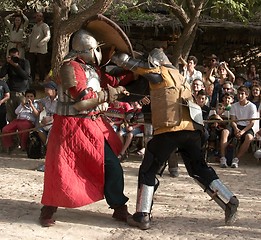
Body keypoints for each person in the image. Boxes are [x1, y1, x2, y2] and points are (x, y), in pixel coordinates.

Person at [111, 48, 239, 230]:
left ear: (154, 63)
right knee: (198, 169)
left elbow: (124, 61)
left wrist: (114, 53)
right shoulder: (180, 77)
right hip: (192, 131)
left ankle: (142, 215)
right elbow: (167, 105)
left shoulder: (159, 73)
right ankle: (229, 200)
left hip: (170, 131)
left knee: (148, 170)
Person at [39, 29, 133, 227]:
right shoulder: (69, 67)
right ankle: (48, 208)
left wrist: (133, 72)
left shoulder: (92, 69)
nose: (99, 52)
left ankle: (119, 207)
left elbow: (112, 82)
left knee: (112, 166)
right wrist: (110, 94)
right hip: (68, 126)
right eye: (96, 48)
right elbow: (81, 98)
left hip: (91, 124)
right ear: (86, 49)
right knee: (60, 168)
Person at [219, 86, 257, 168]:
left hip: (246, 127)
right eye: (238, 94)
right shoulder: (234, 106)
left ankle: (236, 159)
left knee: (249, 137)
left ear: (246, 95)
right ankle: (222, 158)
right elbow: (233, 120)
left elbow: (252, 123)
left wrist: (242, 131)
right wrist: (236, 129)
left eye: (242, 94)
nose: (240, 96)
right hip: (236, 125)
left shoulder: (252, 106)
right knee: (224, 132)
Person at [1, 89, 40, 153]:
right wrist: (22, 105)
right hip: (18, 120)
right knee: (6, 129)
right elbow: (16, 112)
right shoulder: (22, 104)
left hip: (28, 121)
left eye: (31, 96)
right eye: (28, 96)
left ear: (34, 97)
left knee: (23, 128)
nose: (29, 98)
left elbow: (36, 114)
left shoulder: (36, 104)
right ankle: (9, 145)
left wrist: (31, 106)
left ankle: (23, 146)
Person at [0, 47, 31, 122]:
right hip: (12, 92)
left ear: (19, 55)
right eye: (12, 56)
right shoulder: (9, 64)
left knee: (23, 116)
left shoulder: (24, 62)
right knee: (11, 117)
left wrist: (16, 65)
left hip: (22, 92)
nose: (14, 58)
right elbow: (1, 75)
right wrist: (7, 63)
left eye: (15, 56)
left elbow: (26, 76)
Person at [28, 12, 51, 83]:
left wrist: (40, 44)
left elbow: (48, 36)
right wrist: (29, 46)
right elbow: (31, 37)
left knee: (41, 65)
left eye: (40, 16)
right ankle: (32, 79)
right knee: (32, 64)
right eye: (37, 16)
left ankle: (41, 80)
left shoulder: (45, 26)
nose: (38, 17)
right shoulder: (35, 26)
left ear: (42, 18)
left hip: (41, 49)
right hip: (33, 49)